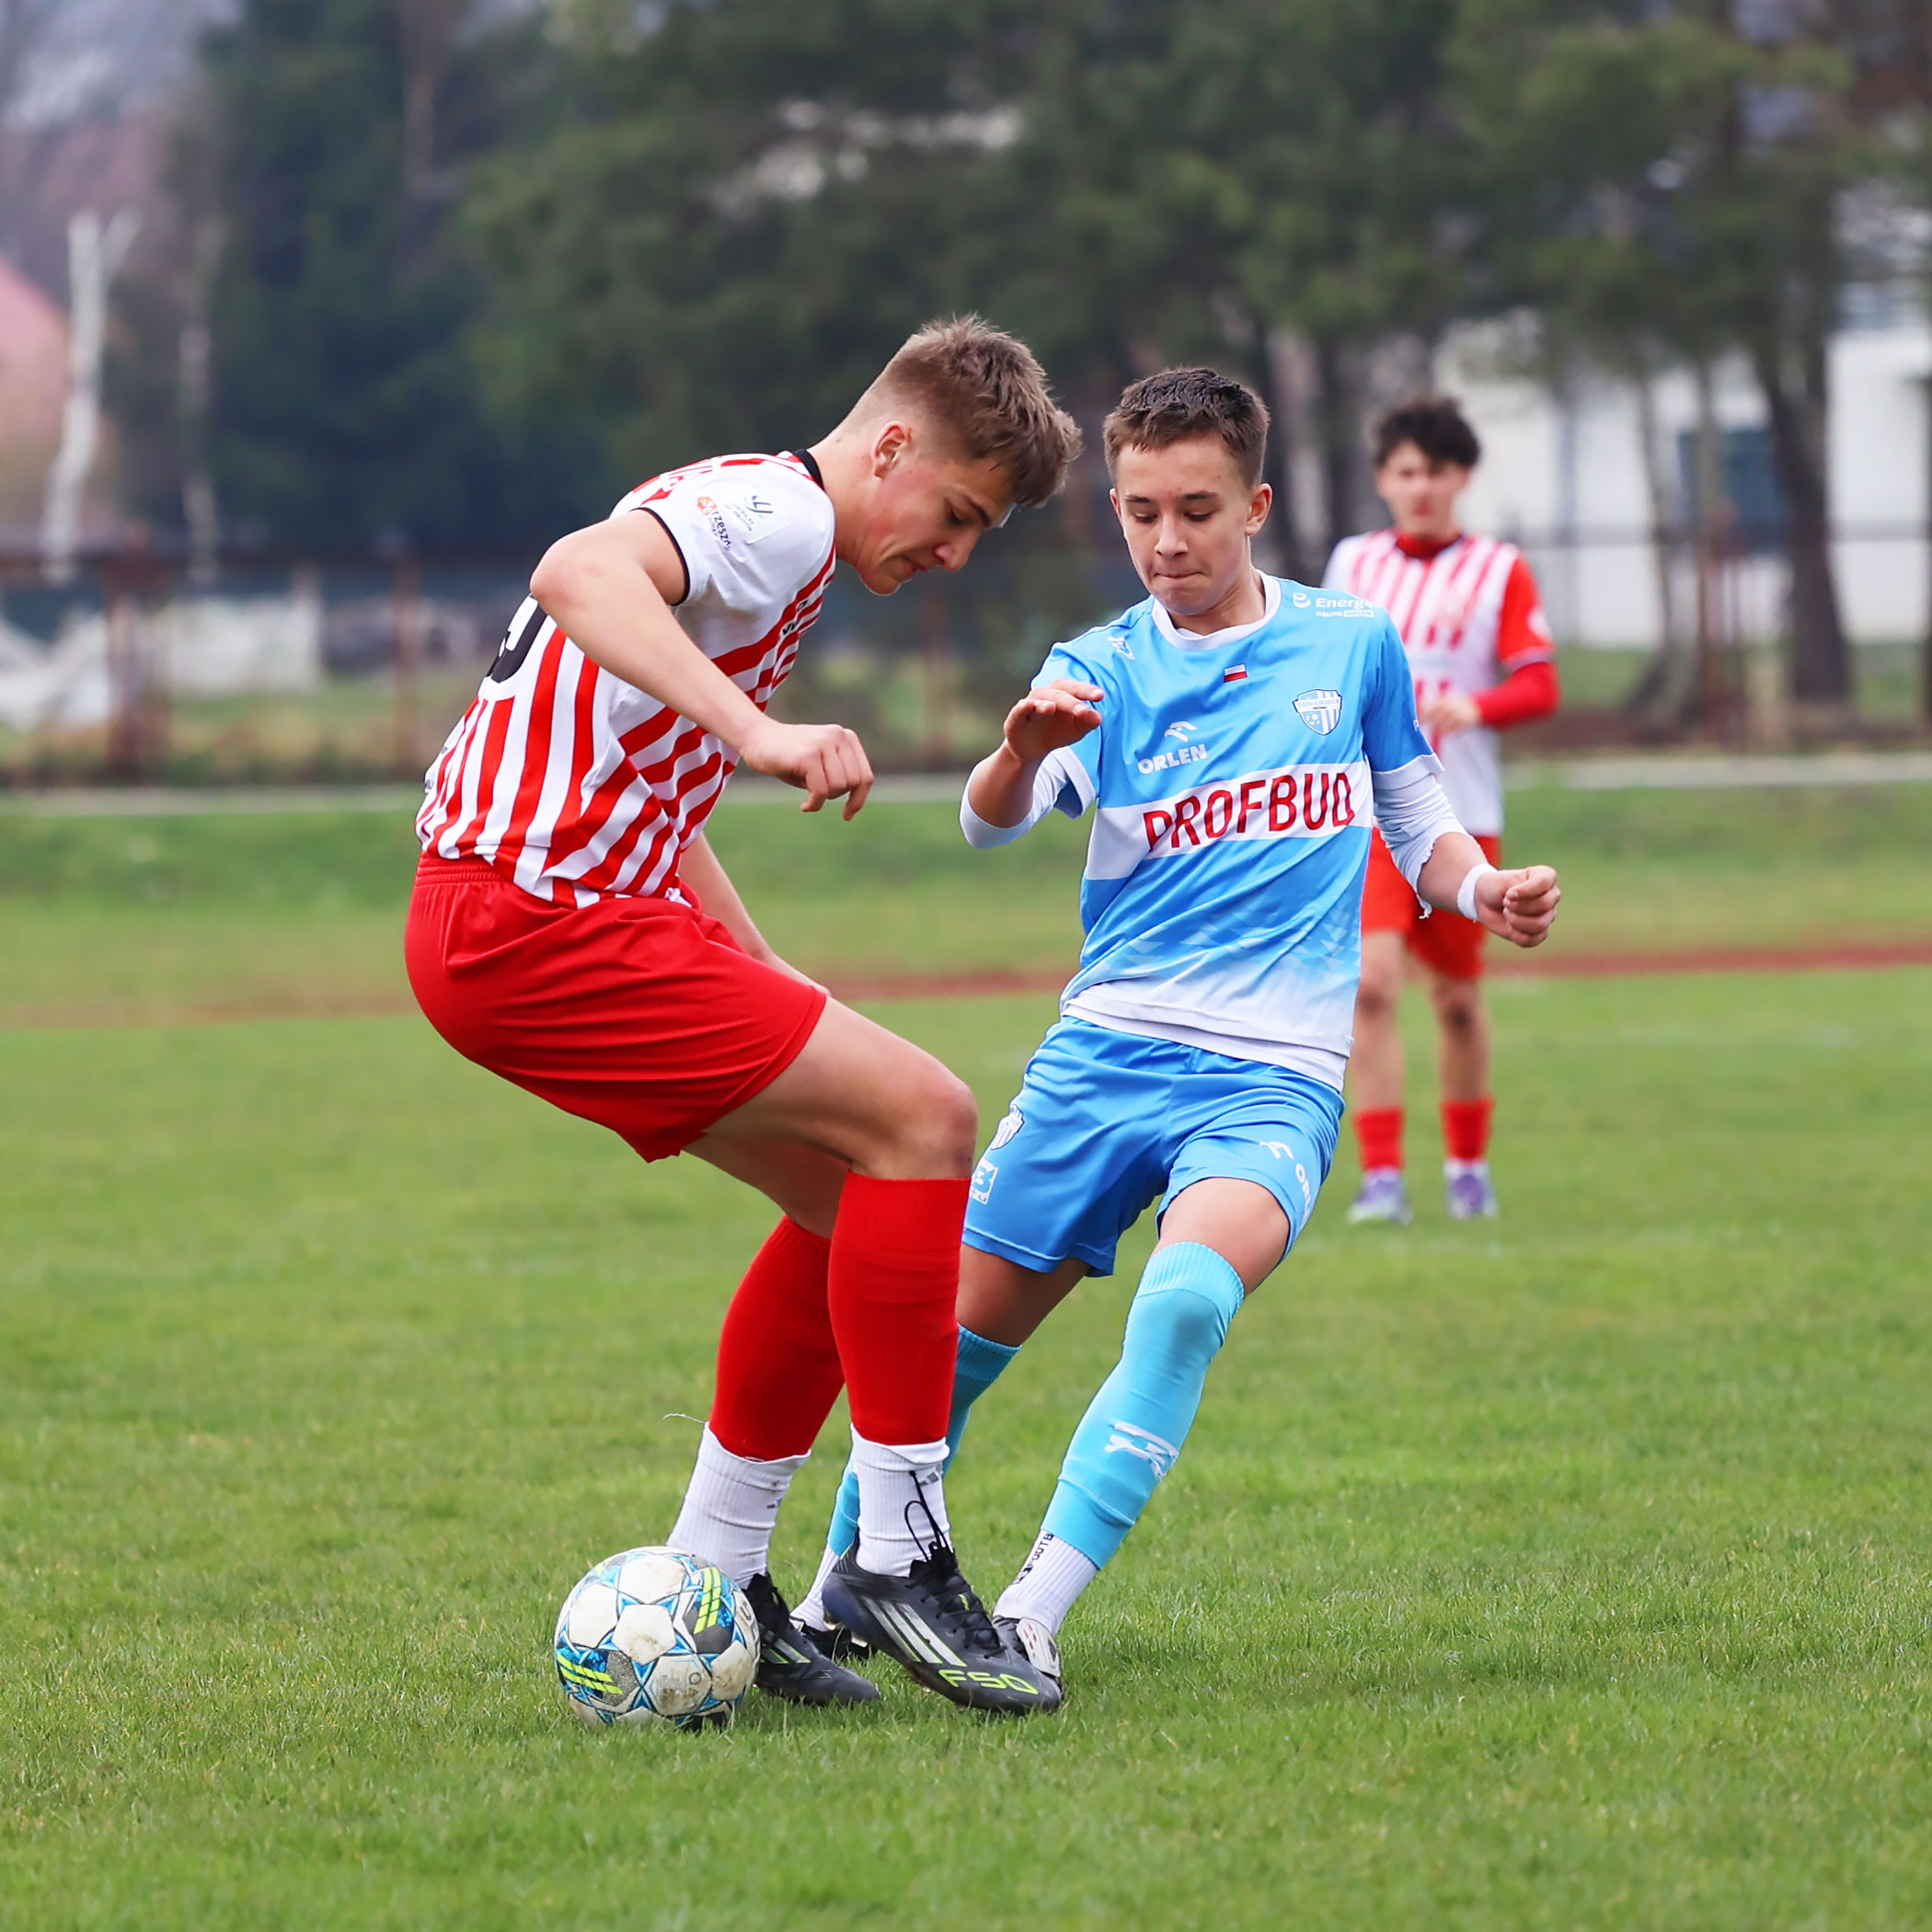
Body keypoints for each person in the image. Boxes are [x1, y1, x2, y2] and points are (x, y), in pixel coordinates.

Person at [795, 368, 1560, 1694]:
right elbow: (985, 820)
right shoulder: (1095, 667)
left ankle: (1031, 1613)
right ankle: (830, 1603)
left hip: (1273, 1074)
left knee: (1189, 1298)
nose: (1168, 541)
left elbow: (1415, 814)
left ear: (1255, 506)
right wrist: (1020, 751)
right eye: (1141, 512)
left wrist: (1480, 888)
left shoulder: (1351, 644)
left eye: (1198, 510)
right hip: (1104, 1060)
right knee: (942, 1359)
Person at [405, 317, 1081, 1717]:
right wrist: (761, 732)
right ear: (890, 446)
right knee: (930, 1118)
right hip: (536, 916)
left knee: (850, 1193)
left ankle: (719, 1576)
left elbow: (653, 783)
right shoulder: (782, 515)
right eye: (959, 514)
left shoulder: (777, 533)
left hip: (518, 919)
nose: (956, 553)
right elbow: (575, 569)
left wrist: (767, 967)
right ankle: (899, 1550)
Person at [1323, 397, 1561, 1225]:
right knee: (1371, 987)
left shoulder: (1498, 568)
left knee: (1457, 1001)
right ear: (1384, 479)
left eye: (1437, 471)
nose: (1421, 486)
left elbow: (1540, 682)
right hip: (1369, 816)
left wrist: (1477, 706)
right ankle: (1382, 1179)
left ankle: (1466, 1168)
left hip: (1462, 815)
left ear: (1462, 477)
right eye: (1406, 471)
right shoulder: (1353, 564)